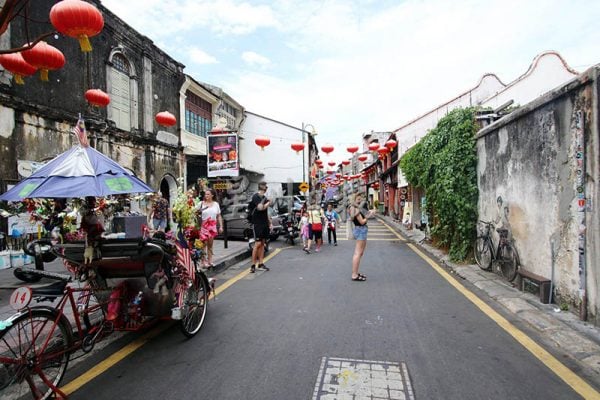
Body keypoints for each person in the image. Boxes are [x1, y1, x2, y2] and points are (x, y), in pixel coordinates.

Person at [348, 192, 375, 281]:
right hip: (360, 230)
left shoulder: (355, 208)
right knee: (358, 253)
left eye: (360, 199)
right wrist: (369, 215)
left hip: (360, 230)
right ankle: (354, 274)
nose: (360, 201)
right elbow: (362, 222)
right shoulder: (355, 209)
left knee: (360, 253)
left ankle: (355, 272)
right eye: (358, 199)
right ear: (354, 200)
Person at [195, 188, 224, 269]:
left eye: (208, 194)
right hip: (203, 225)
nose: (206, 196)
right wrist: (198, 214)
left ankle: (210, 261)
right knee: (203, 245)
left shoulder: (216, 204)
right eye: (205, 194)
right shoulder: (201, 204)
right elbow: (195, 213)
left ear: (212, 195)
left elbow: (219, 216)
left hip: (212, 226)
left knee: (210, 245)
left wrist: (221, 226)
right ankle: (203, 261)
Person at [249, 182, 272, 273]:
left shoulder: (264, 198)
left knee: (263, 243)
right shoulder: (256, 197)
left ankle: (261, 263)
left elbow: (265, 212)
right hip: (257, 223)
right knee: (257, 244)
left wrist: (270, 223)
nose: (266, 188)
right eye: (266, 186)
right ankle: (253, 265)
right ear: (262, 187)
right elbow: (260, 208)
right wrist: (268, 203)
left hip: (264, 223)